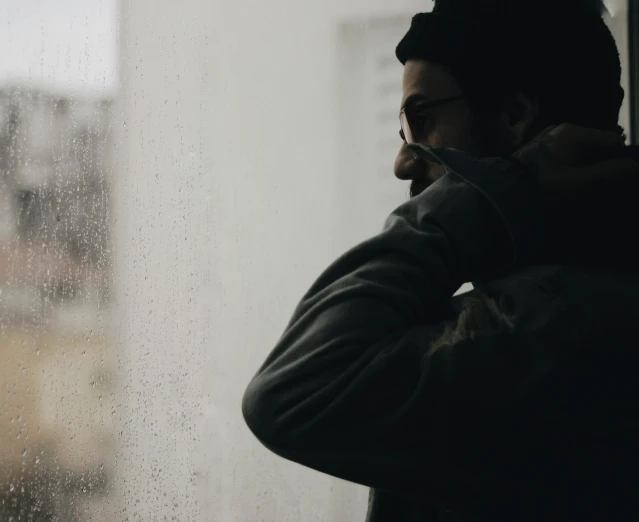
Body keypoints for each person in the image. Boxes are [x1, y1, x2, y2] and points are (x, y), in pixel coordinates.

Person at [242, 0, 639, 521]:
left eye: (423, 120)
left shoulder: (561, 323)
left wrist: (497, 195)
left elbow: (291, 393)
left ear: (516, 115)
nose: (404, 160)